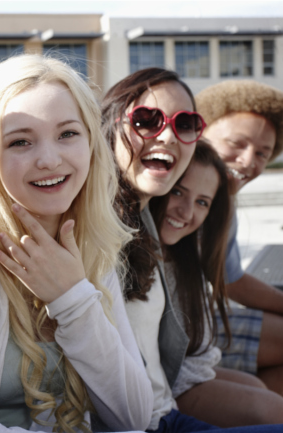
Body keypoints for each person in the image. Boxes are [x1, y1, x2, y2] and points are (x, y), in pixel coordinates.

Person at [0, 54, 153, 433]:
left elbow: (136, 416)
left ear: (91, 143)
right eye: (21, 141)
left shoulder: (91, 251)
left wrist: (73, 296)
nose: (48, 159)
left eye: (68, 134)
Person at [101, 67, 280, 433]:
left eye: (263, 152)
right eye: (147, 120)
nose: (248, 161)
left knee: (264, 392)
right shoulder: (119, 220)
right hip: (162, 403)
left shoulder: (177, 219)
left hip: (173, 389)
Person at [150, 139, 283, 427]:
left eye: (202, 202)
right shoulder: (142, 260)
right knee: (273, 411)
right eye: (177, 192)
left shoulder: (185, 252)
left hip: (191, 369)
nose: (186, 212)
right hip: (164, 387)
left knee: (261, 389)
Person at [195, 81, 283, 396]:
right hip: (181, 328)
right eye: (237, 143)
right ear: (200, 132)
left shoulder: (225, 199)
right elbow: (229, 282)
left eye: (264, 152)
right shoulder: (187, 197)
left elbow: (229, 278)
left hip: (198, 313)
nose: (249, 161)